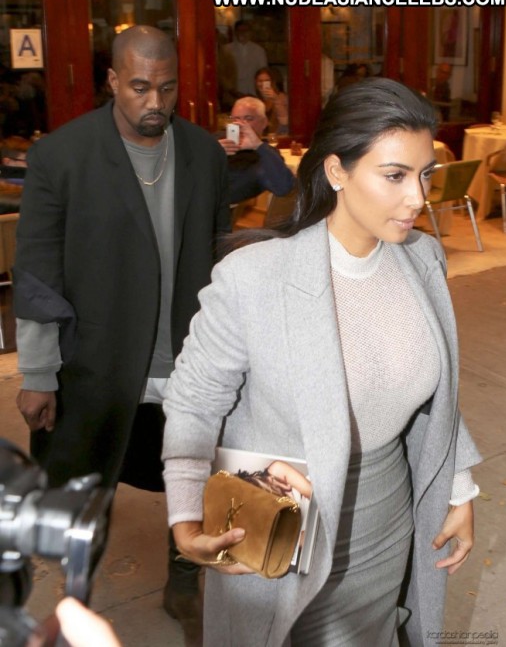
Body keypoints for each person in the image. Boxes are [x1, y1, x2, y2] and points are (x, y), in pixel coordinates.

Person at [161, 78, 482, 646]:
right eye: (395, 176)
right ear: (337, 171)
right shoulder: (254, 278)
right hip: (283, 519)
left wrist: (457, 487)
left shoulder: (423, 259)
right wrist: (185, 516)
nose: (418, 198)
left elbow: (438, 393)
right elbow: (194, 401)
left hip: (387, 517)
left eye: (425, 175)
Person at [13, 25, 230, 646]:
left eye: (167, 88)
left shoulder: (204, 154)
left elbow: (222, 259)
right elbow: (37, 273)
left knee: (196, 481)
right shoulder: (62, 156)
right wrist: (38, 373)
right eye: (139, 88)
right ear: (112, 81)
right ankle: (75, 599)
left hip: (188, 361)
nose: (154, 102)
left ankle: (184, 586)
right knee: (86, 490)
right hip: (95, 363)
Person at [217, 96, 295, 204]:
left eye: (248, 119)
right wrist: (210, 153)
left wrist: (258, 145)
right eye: (236, 119)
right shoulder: (217, 141)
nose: (241, 124)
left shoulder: (264, 155)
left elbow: (283, 188)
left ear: (264, 122)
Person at [224, 20, 267, 96]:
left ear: (250, 32)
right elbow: (223, 74)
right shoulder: (226, 50)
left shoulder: (259, 50)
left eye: (245, 31)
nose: (242, 33)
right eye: (240, 31)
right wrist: (231, 90)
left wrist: (265, 93)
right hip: (232, 93)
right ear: (235, 32)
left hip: (253, 92)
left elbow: (264, 73)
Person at [254, 67, 289, 134]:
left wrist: (276, 99)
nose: (263, 84)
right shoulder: (257, 101)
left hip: (279, 137)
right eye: (260, 81)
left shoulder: (282, 98)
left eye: (267, 81)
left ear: (273, 82)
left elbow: (285, 122)